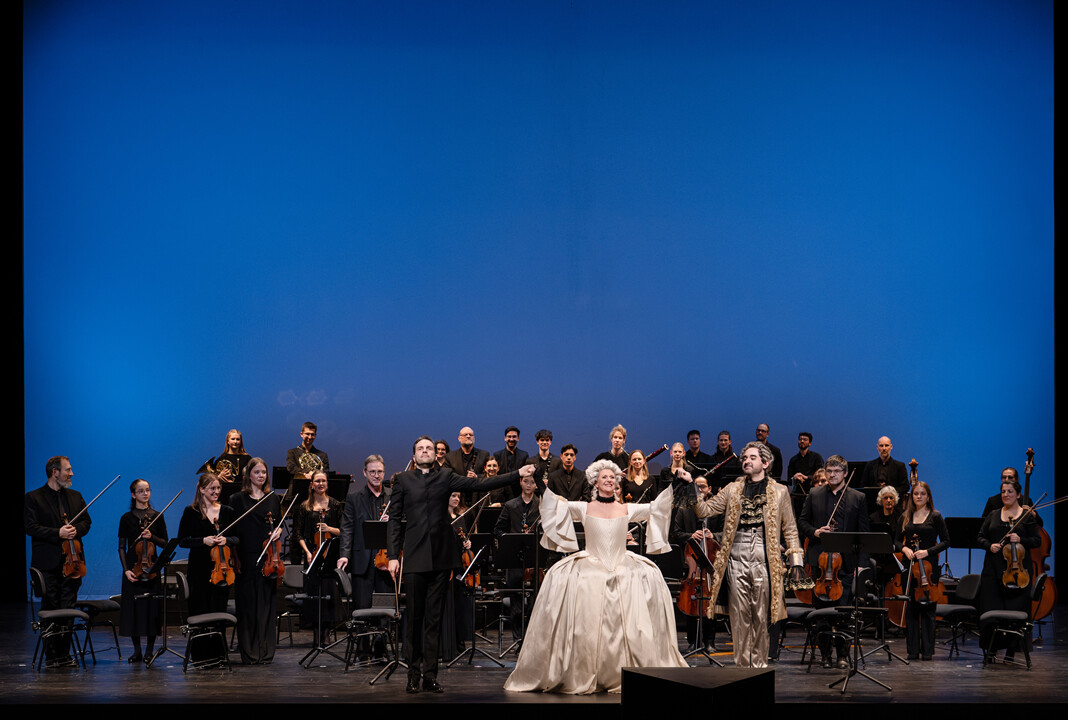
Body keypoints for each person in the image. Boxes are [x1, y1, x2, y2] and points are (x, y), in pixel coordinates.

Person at [504, 459, 688, 694]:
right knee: (569, 581)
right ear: (595, 483)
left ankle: (627, 666)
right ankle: (585, 667)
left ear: (617, 482)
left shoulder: (627, 508)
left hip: (622, 562)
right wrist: (540, 482)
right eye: (604, 477)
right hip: (591, 562)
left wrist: (674, 484)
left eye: (612, 477)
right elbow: (555, 505)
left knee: (647, 577)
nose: (609, 480)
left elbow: (657, 508)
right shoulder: (584, 507)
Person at [387, 436, 536, 694]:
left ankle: (430, 676)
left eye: (429, 448)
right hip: (414, 556)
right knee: (414, 619)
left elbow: (481, 483)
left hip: (441, 557)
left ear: (435, 454)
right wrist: (392, 555)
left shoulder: (446, 476)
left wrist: (517, 474)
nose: (425, 451)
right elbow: (394, 520)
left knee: (434, 619)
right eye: (421, 448)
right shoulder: (403, 480)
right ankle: (412, 675)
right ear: (414, 455)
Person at [686, 441, 806, 668]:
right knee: (739, 616)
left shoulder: (780, 492)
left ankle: (759, 668)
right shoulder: (732, 489)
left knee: (761, 616)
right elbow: (704, 510)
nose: (747, 461)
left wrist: (796, 563)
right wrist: (690, 485)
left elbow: (790, 529)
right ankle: (741, 668)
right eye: (745, 458)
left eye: (752, 457)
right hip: (735, 558)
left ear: (765, 463)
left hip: (765, 558)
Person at [798, 455, 869, 668]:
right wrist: (815, 532)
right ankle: (825, 654)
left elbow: (864, 532)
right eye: (829, 471)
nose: (832, 475)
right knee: (821, 614)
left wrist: (861, 564)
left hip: (845, 565)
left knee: (844, 612)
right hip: (820, 565)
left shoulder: (858, 498)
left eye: (837, 471)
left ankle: (842, 655)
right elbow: (802, 522)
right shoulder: (814, 494)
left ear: (845, 473)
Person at [25, 456, 91, 666]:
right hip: (48, 564)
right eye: (67, 470)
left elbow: (86, 522)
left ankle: (65, 655)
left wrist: (75, 530)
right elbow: (31, 527)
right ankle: (52, 656)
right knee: (51, 609)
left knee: (68, 608)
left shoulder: (75, 496)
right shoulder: (33, 498)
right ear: (55, 472)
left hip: (73, 562)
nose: (71, 473)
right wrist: (58, 533)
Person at [977, 477, 1040, 663]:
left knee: (1015, 611)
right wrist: (989, 546)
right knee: (990, 610)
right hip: (993, 571)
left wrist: (1021, 540)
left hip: (1018, 572)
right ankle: (991, 651)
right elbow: (980, 537)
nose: (1006, 494)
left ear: (1018, 495)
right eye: (1003, 491)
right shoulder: (993, 515)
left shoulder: (1026, 516)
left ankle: (1011, 652)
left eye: (1010, 491)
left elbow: (1037, 541)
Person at [228, 457, 283, 664]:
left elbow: (278, 524)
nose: (261, 476)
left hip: (269, 558)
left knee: (267, 605)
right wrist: (235, 557)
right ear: (248, 475)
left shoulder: (273, 499)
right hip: (246, 556)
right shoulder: (236, 499)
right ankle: (250, 653)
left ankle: (266, 652)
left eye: (263, 472)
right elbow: (232, 532)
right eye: (257, 472)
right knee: (248, 606)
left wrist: (278, 531)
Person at [894, 480, 950, 660]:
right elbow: (896, 541)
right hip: (910, 567)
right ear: (912, 496)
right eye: (916, 493)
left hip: (929, 567)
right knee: (911, 609)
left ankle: (927, 651)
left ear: (928, 497)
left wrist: (927, 552)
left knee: (928, 609)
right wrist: (904, 549)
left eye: (922, 494)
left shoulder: (935, 517)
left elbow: (946, 542)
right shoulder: (905, 517)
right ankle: (912, 651)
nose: (919, 496)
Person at [117, 478, 168, 665]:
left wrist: (151, 536)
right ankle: (137, 650)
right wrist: (126, 570)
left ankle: (149, 651)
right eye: (140, 491)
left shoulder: (157, 516)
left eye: (147, 490)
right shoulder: (126, 518)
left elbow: (165, 543)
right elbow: (121, 547)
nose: (145, 494)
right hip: (133, 569)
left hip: (151, 570)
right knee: (134, 611)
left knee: (151, 610)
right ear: (133, 495)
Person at [177, 473, 238, 617]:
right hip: (198, 570)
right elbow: (182, 541)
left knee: (218, 611)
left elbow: (237, 538)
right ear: (202, 489)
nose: (216, 492)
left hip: (222, 570)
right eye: (212, 488)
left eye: (218, 488)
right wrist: (203, 541)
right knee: (199, 610)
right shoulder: (191, 512)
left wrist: (226, 540)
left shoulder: (228, 511)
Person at [337, 455, 392, 613]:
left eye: (380, 472)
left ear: (384, 472)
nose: (376, 475)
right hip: (362, 560)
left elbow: (403, 524)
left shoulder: (393, 496)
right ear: (365, 472)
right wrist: (344, 555)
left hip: (387, 560)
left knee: (386, 609)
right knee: (361, 609)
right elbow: (347, 529)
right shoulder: (354, 498)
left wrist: (392, 521)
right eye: (372, 472)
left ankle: (383, 631)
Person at [294, 468, 343, 646]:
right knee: (313, 595)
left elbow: (343, 531)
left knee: (329, 594)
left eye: (323, 481)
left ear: (327, 484)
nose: (320, 484)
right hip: (312, 555)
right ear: (312, 484)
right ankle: (316, 633)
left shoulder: (335, 505)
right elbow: (298, 534)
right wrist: (308, 552)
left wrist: (329, 529)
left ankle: (326, 633)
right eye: (317, 481)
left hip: (330, 555)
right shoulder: (304, 507)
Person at [671, 472, 718, 653]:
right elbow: (675, 533)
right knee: (692, 601)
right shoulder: (684, 509)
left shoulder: (716, 508)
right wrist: (690, 535)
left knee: (711, 602)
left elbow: (727, 531)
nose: (699, 489)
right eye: (696, 487)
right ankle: (692, 641)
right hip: (691, 563)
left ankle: (710, 641)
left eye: (703, 487)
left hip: (712, 563)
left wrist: (714, 535)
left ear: (709, 489)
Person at [494, 473, 541, 641]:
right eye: (526, 481)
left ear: (536, 485)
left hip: (535, 559)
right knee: (516, 603)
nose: (529, 485)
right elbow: (498, 529)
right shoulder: (510, 505)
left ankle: (532, 639)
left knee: (536, 601)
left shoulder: (542, 505)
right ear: (521, 482)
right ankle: (518, 639)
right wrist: (509, 540)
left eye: (532, 482)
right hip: (515, 559)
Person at [860, 436, 909, 501]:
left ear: (891, 447)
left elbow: (905, 487)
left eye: (886, 445)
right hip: (873, 501)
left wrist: (890, 493)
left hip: (893, 502)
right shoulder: (870, 465)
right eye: (881, 446)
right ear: (877, 447)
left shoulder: (899, 466)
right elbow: (863, 485)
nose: (884, 448)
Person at [214, 429, 251, 502]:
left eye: (238, 439)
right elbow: (211, 482)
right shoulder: (221, 459)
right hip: (224, 496)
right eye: (233, 439)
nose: (235, 442)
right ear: (228, 441)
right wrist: (218, 477)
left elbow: (251, 479)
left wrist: (234, 484)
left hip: (242, 496)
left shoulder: (247, 458)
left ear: (241, 441)